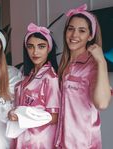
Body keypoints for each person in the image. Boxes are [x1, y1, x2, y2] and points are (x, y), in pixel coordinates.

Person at [55, 4, 112, 148]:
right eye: (71, 29)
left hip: (83, 144)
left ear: (90, 36)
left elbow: (102, 103)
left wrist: (101, 62)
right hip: (60, 143)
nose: (74, 35)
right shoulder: (64, 64)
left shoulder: (92, 65)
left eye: (82, 31)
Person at [8, 23, 60, 149]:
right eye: (30, 47)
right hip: (22, 137)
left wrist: (22, 116)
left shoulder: (51, 78)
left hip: (40, 141)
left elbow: (54, 117)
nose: (35, 52)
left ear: (49, 48)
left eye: (41, 46)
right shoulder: (27, 76)